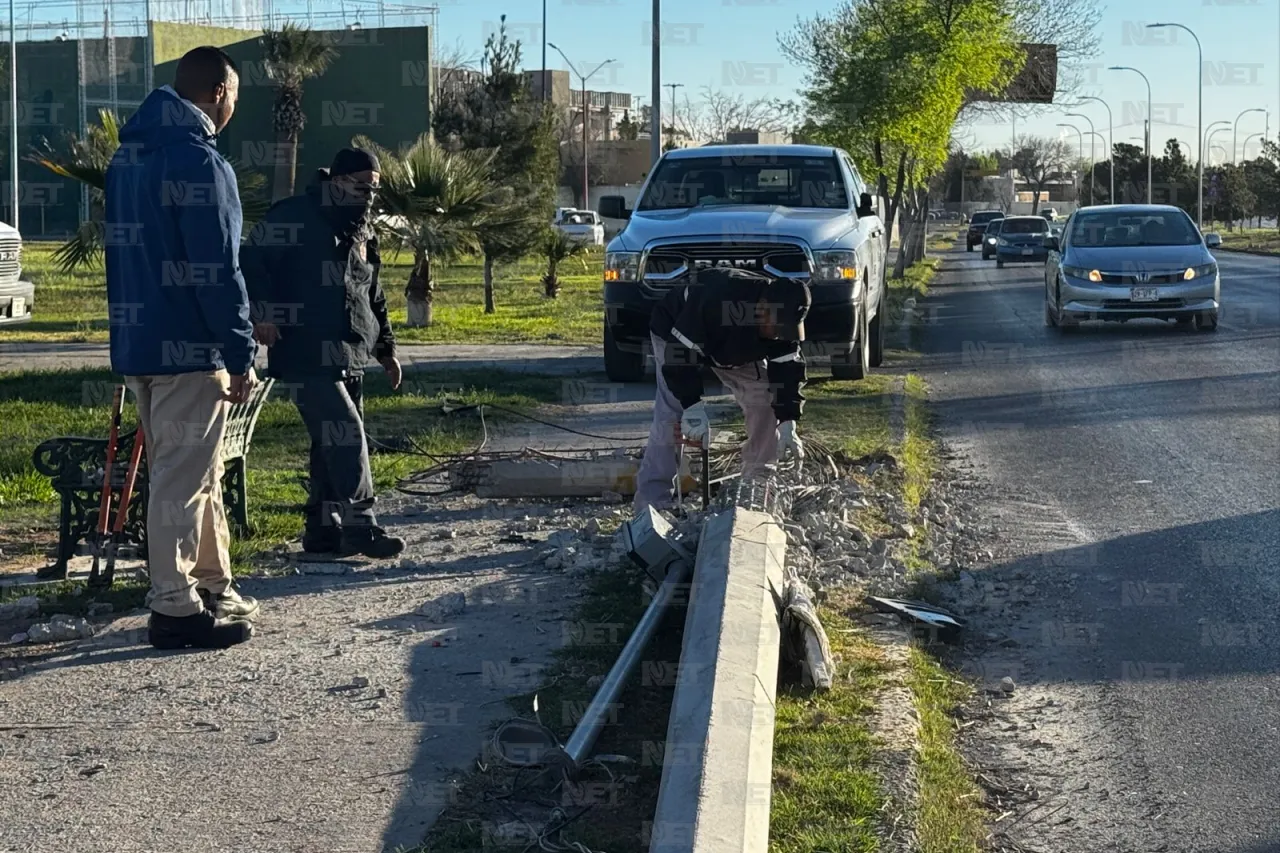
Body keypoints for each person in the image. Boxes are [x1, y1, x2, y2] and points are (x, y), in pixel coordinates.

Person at [105, 46, 260, 650]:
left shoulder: (129, 157)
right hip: (191, 348)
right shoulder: (200, 161)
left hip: (140, 342)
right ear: (220, 92)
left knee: (199, 474)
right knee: (182, 478)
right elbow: (219, 267)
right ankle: (173, 606)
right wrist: (240, 349)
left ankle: (212, 584)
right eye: (236, 98)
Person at [241, 148, 406, 559]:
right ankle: (361, 526)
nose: (369, 195)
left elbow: (373, 292)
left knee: (330, 442)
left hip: (351, 351)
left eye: (374, 188)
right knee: (346, 434)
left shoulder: (364, 228)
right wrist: (263, 312)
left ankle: (321, 529)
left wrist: (386, 349)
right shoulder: (294, 215)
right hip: (303, 351)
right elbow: (250, 260)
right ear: (336, 182)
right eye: (360, 186)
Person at [633, 266, 810, 513]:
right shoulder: (717, 299)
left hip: (733, 348)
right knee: (671, 415)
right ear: (762, 308)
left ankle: (757, 489)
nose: (780, 337)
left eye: (786, 330)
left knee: (764, 404)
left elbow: (788, 369)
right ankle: (652, 504)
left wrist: (789, 420)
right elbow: (679, 357)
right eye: (777, 328)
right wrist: (692, 405)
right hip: (676, 336)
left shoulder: (783, 319)